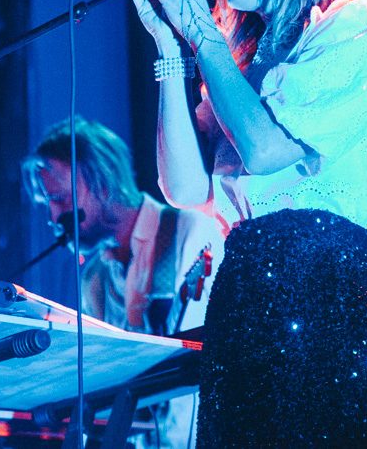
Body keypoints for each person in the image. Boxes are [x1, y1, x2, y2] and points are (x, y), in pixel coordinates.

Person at [129, 0, 367, 447]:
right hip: (243, 284)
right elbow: (185, 188)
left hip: (323, 282)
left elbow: (266, 151)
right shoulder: (240, 63)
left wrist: (201, 34)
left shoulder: (364, 26)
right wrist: (171, 49)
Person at [22, 116, 224, 449]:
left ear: (102, 182)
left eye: (59, 199)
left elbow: (207, 362)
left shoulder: (191, 231)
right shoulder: (94, 277)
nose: (54, 218)